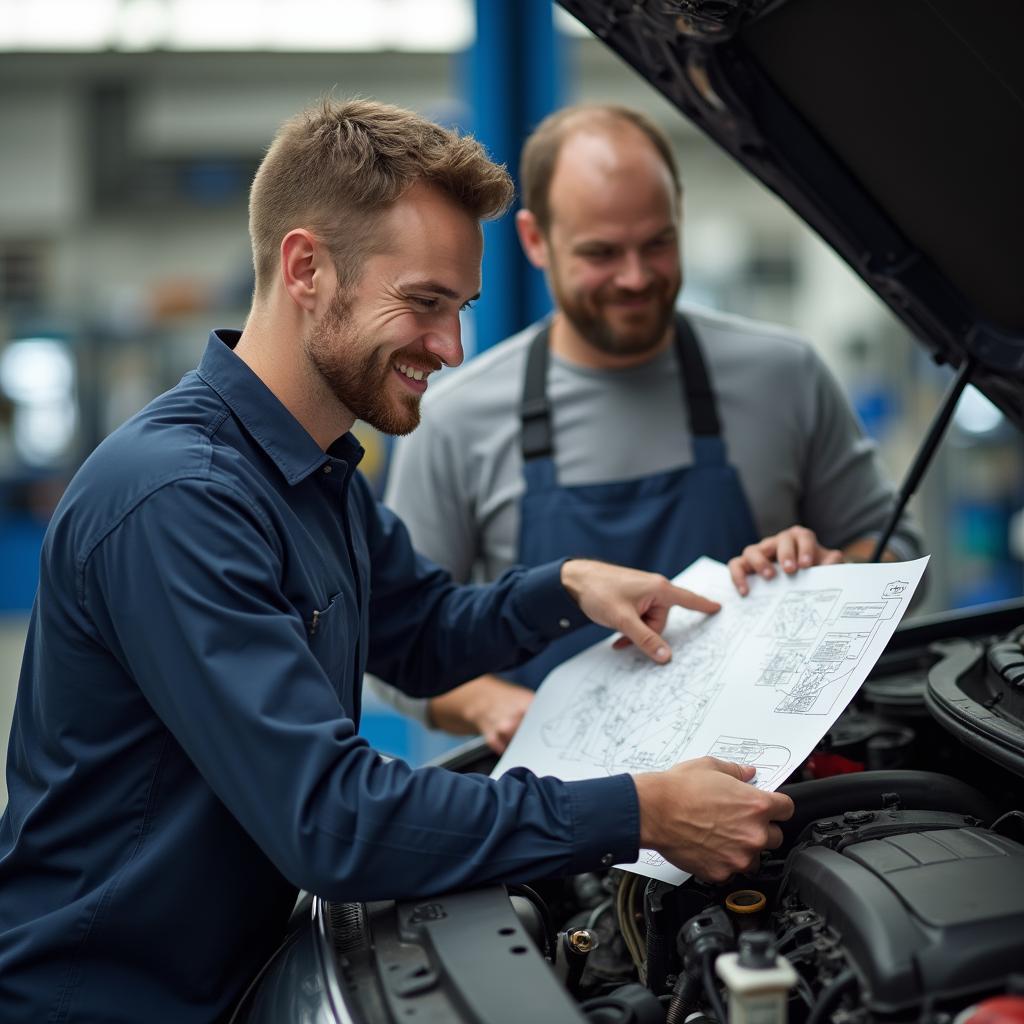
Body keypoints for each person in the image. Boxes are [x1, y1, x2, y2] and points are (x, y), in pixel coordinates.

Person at [0, 99, 794, 1024]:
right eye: (423, 303)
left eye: (458, 309)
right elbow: (333, 821)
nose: (451, 349)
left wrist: (566, 587)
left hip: (236, 972)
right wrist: (640, 812)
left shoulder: (312, 467)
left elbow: (417, 631)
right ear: (305, 267)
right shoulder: (180, 499)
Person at [375, 103, 922, 752]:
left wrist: (829, 573)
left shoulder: (784, 375)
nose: (635, 277)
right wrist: (491, 704)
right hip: (559, 821)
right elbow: (398, 647)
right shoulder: (453, 419)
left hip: (772, 795)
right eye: (602, 253)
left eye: (657, 243)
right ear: (534, 240)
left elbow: (899, 551)